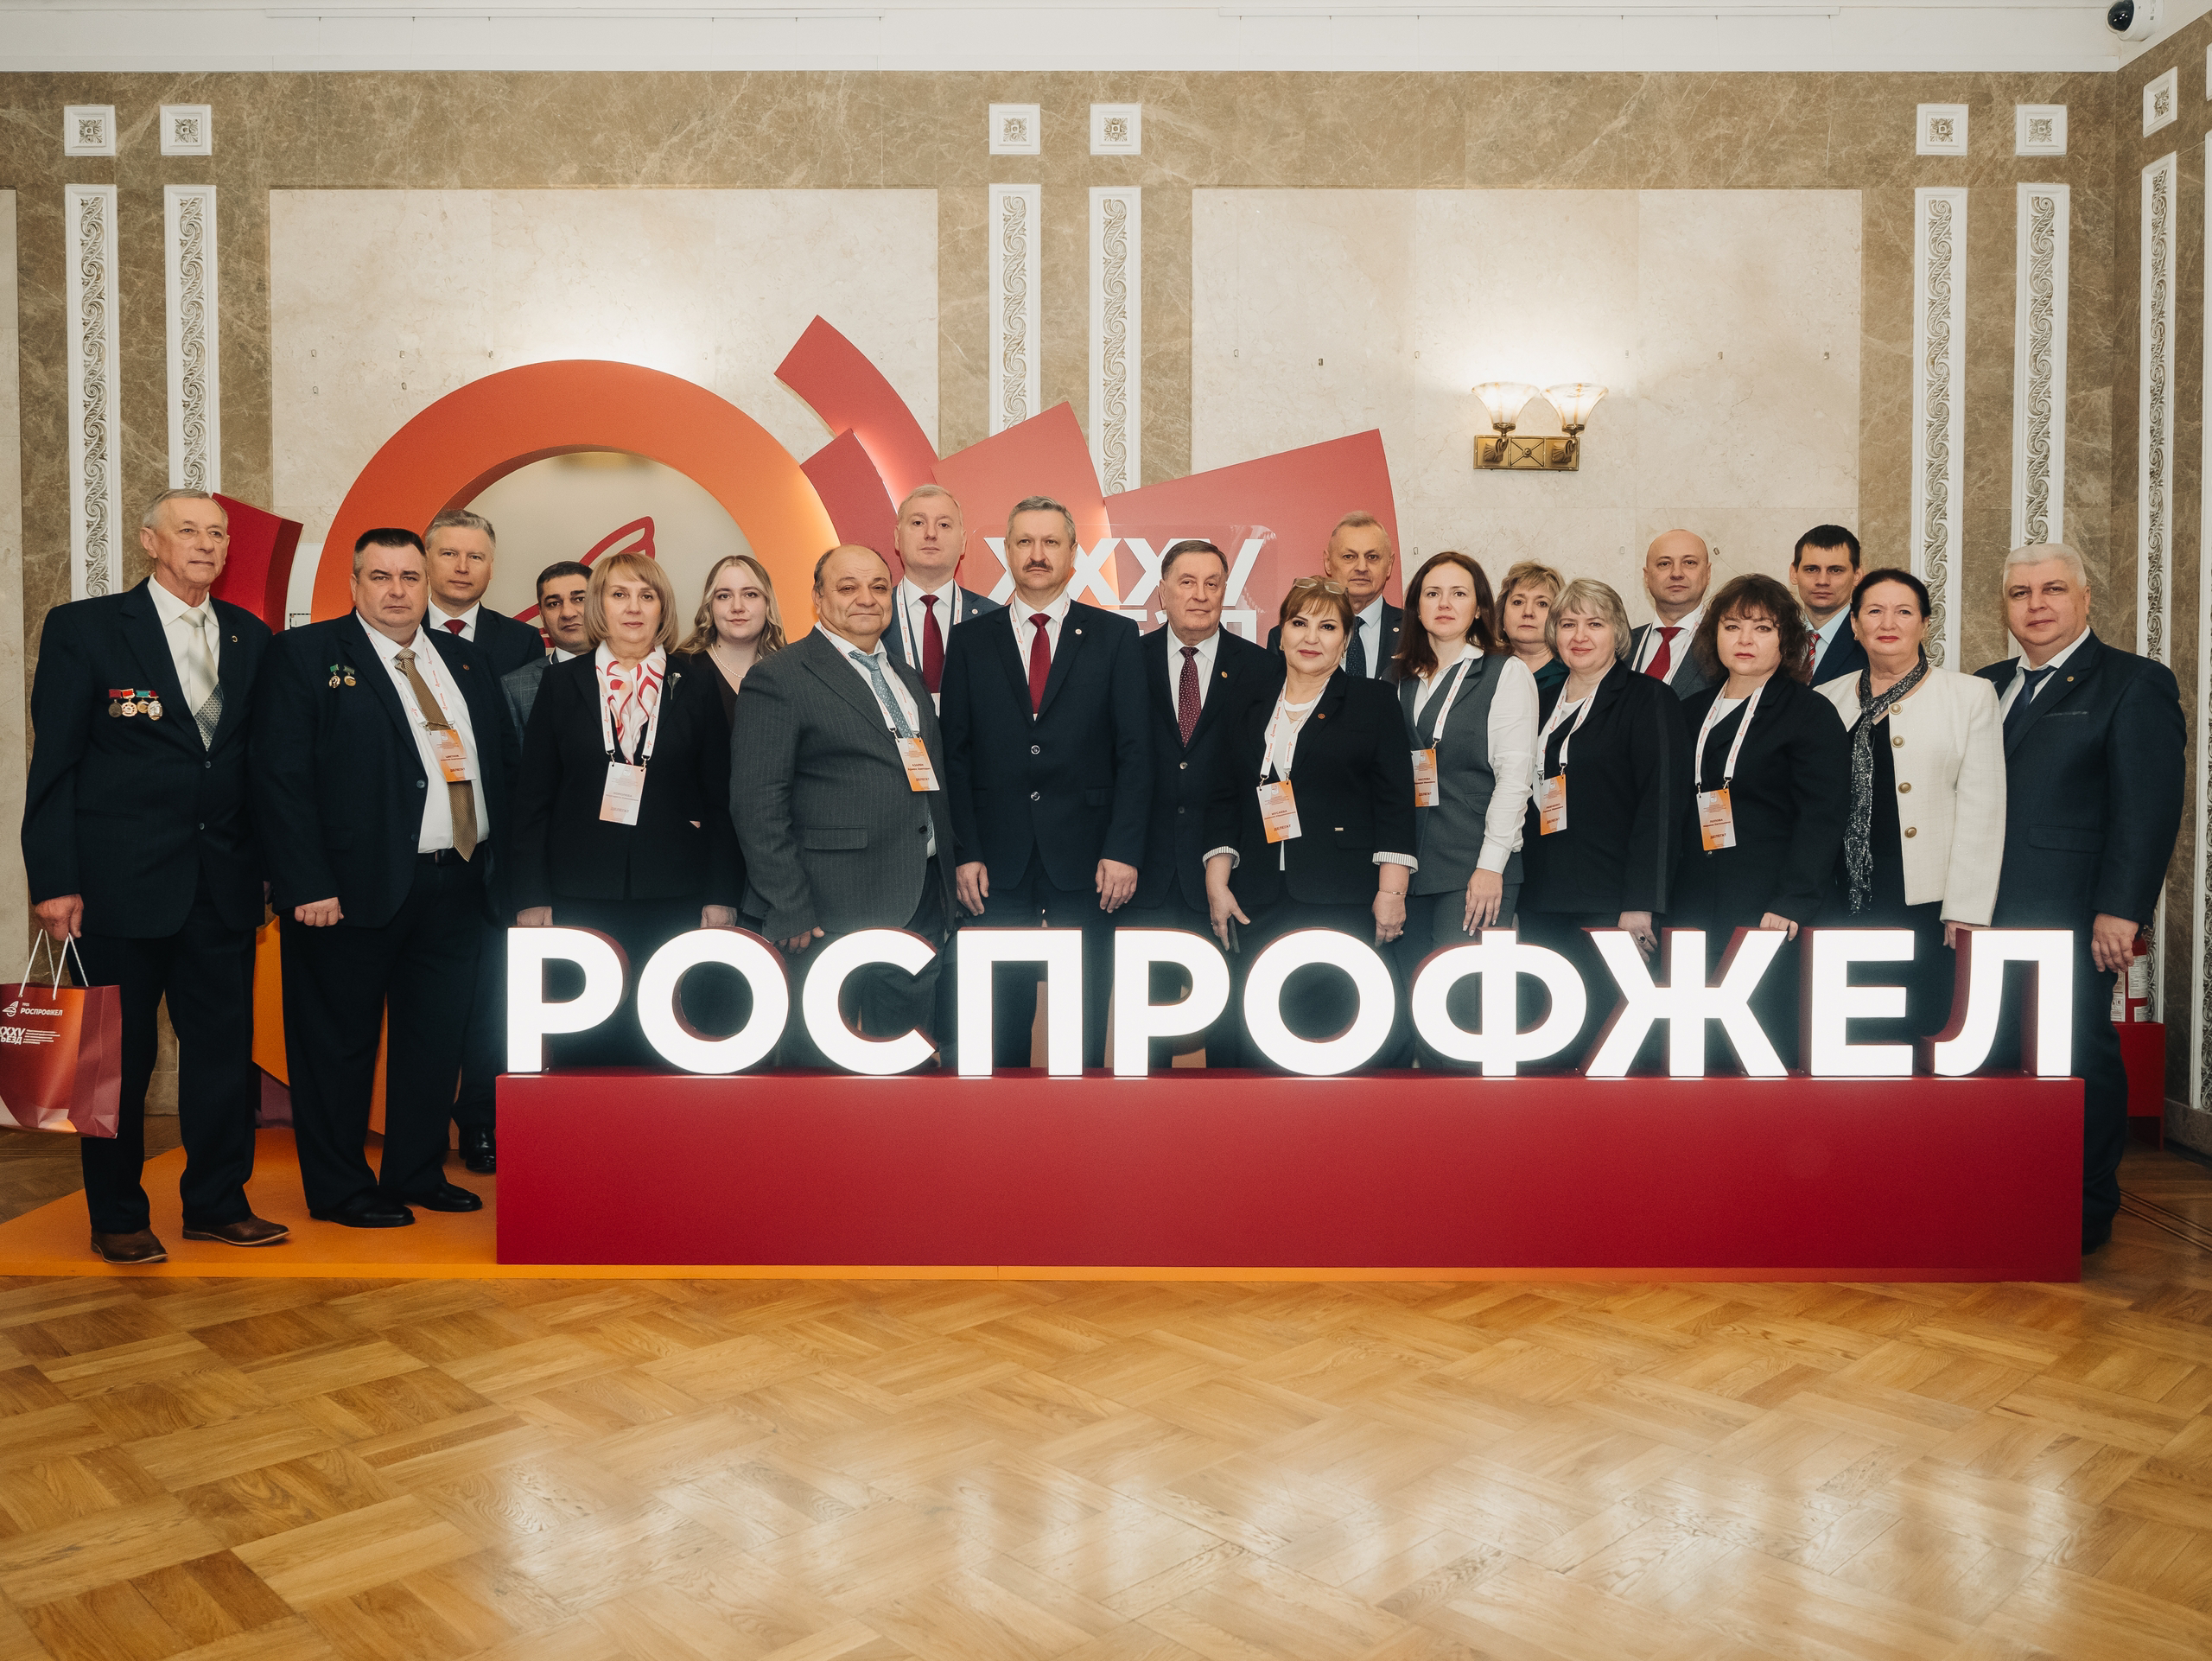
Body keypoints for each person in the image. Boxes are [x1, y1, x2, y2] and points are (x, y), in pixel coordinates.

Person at [21, 490, 285, 1263]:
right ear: (149, 541)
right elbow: (54, 766)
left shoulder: (249, 636)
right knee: (114, 1065)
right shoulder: (87, 628)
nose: (205, 544)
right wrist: (53, 881)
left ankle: (216, 1203)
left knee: (221, 1060)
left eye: (217, 534)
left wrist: (269, 872)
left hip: (223, 888)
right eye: (188, 531)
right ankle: (116, 1215)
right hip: (116, 889)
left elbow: (260, 769)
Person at [255, 529, 515, 1227]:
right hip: (345, 891)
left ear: (428, 585)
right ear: (354, 584)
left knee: (434, 1042)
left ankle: (416, 1171)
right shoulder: (305, 655)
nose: (397, 591)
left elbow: (499, 766)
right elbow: (280, 778)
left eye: (409, 577)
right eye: (380, 577)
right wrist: (305, 882)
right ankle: (340, 1188)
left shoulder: (463, 661)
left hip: (456, 883)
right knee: (337, 1046)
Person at [1974, 543, 2183, 1253]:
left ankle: (2088, 1209)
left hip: (2072, 915)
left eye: (2053, 589)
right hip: (1981, 916)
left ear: (2085, 598)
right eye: (2020, 593)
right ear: (2004, 606)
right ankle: (2013, 1195)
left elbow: (2147, 808)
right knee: (2001, 1053)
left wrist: (2121, 909)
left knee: (2078, 1052)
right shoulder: (1986, 685)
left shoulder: (2133, 683)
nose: (2036, 605)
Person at [511, 552, 744, 1067]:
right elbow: (532, 799)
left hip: (677, 893)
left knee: (667, 1043)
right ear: (600, 605)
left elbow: (719, 797)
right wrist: (530, 894)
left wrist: (722, 893)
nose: (633, 608)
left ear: (663, 607)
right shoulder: (561, 683)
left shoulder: (695, 683)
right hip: (577, 893)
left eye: (646, 595)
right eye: (619, 595)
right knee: (586, 1048)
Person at [941, 495, 1150, 1069]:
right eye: (1025, 542)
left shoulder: (1114, 636)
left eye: (1051, 542)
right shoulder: (969, 641)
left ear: (1073, 553)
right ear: (1006, 552)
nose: (1038, 554)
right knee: (998, 1021)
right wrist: (965, 852)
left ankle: (1082, 1123)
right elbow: (955, 757)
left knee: (1082, 1011)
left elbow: (1136, 754)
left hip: (1090, 859)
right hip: (994, 864)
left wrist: (1123, 850)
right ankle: (998, 1123)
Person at [731, 545, 954, 1068]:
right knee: (817, 1072)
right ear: (817, 597)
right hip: (825, 909)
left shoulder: (905, 677)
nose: (866, 599)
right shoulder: (780, 677)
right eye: (847, 587)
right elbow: (757, 804)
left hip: (917, 899)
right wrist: (789, 903)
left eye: (878, 587)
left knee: (900, 1064)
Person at [1205, 577, 1416, 1068]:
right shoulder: (1247, 700)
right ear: (1280, 633)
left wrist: (1392, 892)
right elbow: (1222, 795)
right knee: (1260, 1034)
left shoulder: (1373, 701)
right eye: (1299, 623)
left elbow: (1394, 804)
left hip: (1341, 896)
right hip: (1257, 896)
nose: (1311, 637)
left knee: (1336, 1033)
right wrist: (1218, 882)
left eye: (1327, 627)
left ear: (1346, 639)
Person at [1815, 567, 2004, 1041]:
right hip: (1840, 894)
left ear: (1925, 623)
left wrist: (1966, 908)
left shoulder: (1969, 696)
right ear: (1854, 624)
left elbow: (1984, 807)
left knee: (1916, 1028)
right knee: (1848, 1033)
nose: (1888, 623)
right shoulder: (1824, 699)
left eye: (1903, 611)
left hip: (1926, 900)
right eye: (1874, 611)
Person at [1671, 574, 1850, 1068]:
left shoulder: (1809, 712)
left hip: (1768, 905)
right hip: (1691, 900)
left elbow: (1823, 815)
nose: (1744, 639)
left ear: (1785, 638)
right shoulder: (1689, 712)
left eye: (1762, 628)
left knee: (1758, 1045)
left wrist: (1793, 899)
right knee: (1694, 1050)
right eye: (1732, 626)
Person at [1516, 579, 1693, 1069]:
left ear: (1618, 633)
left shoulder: (1648, 698)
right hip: (1541, 896)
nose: (1580, 636)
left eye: (1594, 624)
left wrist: (1641, 903)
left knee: (1610, 1044)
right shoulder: (1539, 700)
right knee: (1548, 1040)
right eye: (1568, 623)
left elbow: (1662, 805)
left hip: (1611, 899)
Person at [1391, 552, 1538, 1067]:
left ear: (1479, 607)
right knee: (1411, 1008)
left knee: (1458, 1013)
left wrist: (1491, 866)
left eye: (1459, 593)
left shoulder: (1505, 672)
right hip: (1408, 868)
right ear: (1416, 606)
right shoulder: (1400, 677)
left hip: (1473, 869)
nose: (1445, 604)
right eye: (1432, 593)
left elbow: (1515, 779)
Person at [1125, 539, 1268, 1068]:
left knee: (1231, 1032)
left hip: (1227, 876)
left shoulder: (1261, 668)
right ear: (1162, 592)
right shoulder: (1127, 660)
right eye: (1187, 582)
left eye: (1213, 583)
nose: (1201, 595)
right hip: (1145, 875)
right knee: (1148, 1036)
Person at [883, 485, 1002, 706]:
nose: (930, 534)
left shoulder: (998, 621)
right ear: (898, 538)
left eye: (944, 524)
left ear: (963, 542)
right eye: (918, 523)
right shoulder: (871, 615)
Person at [1266, 512, 1402, 681]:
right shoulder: (1283, 637)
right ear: (1328, 562)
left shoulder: (1415, 631)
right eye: (1349, 557)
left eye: (1372, 557)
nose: (1361, 567)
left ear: (1389, 565)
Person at [423, 509, 550, 678]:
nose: (462, 568)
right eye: (449, 554)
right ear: (426, 562)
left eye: (475, 557)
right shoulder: (397, 629)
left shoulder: (523, 640)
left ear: (491, 568)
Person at [680, 552, 786, 726]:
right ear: (710, 606)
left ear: (768, 604)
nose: (737, 607)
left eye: (750, 594)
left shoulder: (787, 675)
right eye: (724, 596)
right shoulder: (682, 670)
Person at [501, 560, 591, 734]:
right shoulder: (515, 687)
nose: (567, 613)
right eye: (554, 604)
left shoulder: (634, 670)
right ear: (542, 615)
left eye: (579, 599)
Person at [1627, 530, 1717, 700]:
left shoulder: (1726, 643)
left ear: (1708, 573)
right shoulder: (1622, 646)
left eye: (1689, 562)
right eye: (1664, 564)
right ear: (1647, 577)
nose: (1677, 573)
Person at [1793, 525, 1868, 686]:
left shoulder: (1873, 639)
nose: (1822, 581)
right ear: (1794, 573)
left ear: (1857, 576)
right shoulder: (1776, 635)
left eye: (1836, 570)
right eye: (1811, 569)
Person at [1497, 560, 1568, 699]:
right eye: (1518, 602)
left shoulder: (1571, 676)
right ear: (1502, 614)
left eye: (1542, 604)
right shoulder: (1484, 670)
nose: (1528, 612)